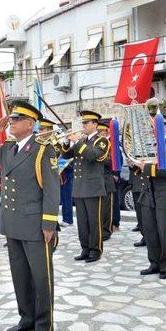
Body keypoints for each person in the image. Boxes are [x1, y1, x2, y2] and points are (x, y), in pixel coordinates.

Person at [0, 100, 59, 331]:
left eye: (15, 119)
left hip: (35, 224)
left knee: (41, 276)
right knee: (20, 274)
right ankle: (26, 319)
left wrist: (49, 224)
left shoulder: (43, 149)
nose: (10, 122)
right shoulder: (8, 148)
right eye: (10, 119)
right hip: (13, 222)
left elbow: (52, 189)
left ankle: (44, 324)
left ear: (30, 123)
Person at [133, 114, 166, 279]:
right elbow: (140, 169)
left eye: (153, 127)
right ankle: (154, 263)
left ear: (163, 128)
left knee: (165, 233)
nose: (151, 130)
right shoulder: (147, 146)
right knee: (150, 232)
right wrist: (135, 164)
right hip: (148, 194)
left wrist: (145, 167)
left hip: (165, 196)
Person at [61, 110, 109, 263]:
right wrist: (68, 142)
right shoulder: (81, 140)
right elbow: (66, 155)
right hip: (80, 187)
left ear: (95, 124)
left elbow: (93, 155)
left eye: (86, 123)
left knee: (94, 221)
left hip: (93, 187)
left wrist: (77, 141)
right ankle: (85, 248)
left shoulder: (101, 141)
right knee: (82, 222)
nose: (83, 125)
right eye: (82, 123)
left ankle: (96, 250)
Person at [97, 118, 117, 241]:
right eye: (98, 131)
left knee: (107, 209)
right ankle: (100, 230)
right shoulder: (96, 143)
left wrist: (98, 156)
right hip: (98, 180)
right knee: (99, 209)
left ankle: (107, 230)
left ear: (106, 131)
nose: (99, 133)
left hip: (107, 179)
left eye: (101, 130)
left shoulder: (110, 144)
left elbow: (111, 161)